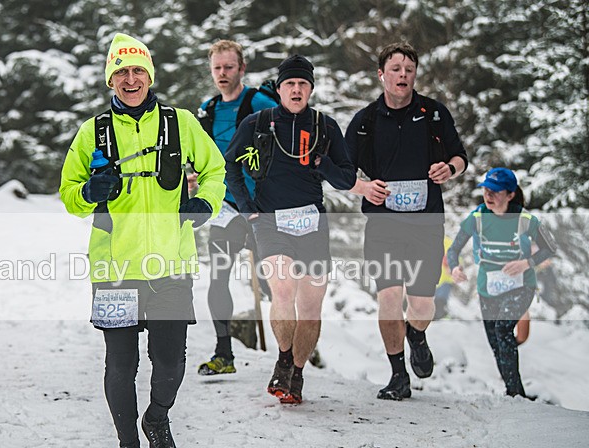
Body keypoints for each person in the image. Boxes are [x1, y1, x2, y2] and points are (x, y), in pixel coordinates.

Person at [59, 33, 226, 448]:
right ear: (110, 78)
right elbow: (68, 195)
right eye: (121, 72)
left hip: (170, 265)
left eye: (138, 71)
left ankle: (157, 418)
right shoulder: (92, 132)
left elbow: (215, 169)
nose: (130, 79)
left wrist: (206, 203)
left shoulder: (181, 123)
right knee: (121, 363)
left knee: (170, 361)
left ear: (149, 75)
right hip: (114, 268)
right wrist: (87, 193)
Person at [225, 54, 356, 404]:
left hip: (313, 223)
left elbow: (346, 178)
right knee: (283, 289)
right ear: (279, 88)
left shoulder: (325, 126)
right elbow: (231, 168)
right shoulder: (258, 122)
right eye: (290, 84)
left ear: (310, 88)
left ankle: (296, 374)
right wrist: (248, 210)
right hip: (270, 220)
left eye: (302, 84)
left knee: (311, 306)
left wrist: (322, 162)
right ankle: (284, 358)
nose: (296, 90)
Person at [345, 42, 468, 401]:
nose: (403, 75)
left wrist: (449, 168)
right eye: (395, 69)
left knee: (421, 305)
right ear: (381, 75)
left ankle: (416, 333)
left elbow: (460, 157)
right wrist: (365, 188)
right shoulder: (366, 120)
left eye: (409, 69)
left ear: (415, 75)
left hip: (426, 224)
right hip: (383, 225)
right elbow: (342, 172)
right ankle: (398, 374)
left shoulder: (434, 114)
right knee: (389, 297)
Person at [194, 39, 279, 376]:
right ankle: (224, 353)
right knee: (218, 278)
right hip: (227, 206)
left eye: (229, 67)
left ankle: (287, 355)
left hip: (260, 206)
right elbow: (200, 154)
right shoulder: (209, 108)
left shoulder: (257, 100)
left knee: (274, 282)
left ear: (242, 68)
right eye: (217, 68)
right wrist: (193, 176)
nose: (222, 73)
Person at [446, 167, 556, 398]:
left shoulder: (525, 220)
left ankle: (515, 395)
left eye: (495, 192)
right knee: (497, 342)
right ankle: (515, 392)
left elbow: (549, 247)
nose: (489, 196)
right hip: (489, 288)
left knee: (502, 327)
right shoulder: (477, 218)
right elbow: (455, 249)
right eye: (486, 190)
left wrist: (527, 263)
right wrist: (455, 267)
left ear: (510, 194)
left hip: (521, 286)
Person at [433, 235, 455, 320]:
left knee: (440, 300)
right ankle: (438, 315)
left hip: (443, 279)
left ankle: (439, 315)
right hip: (440, 279)